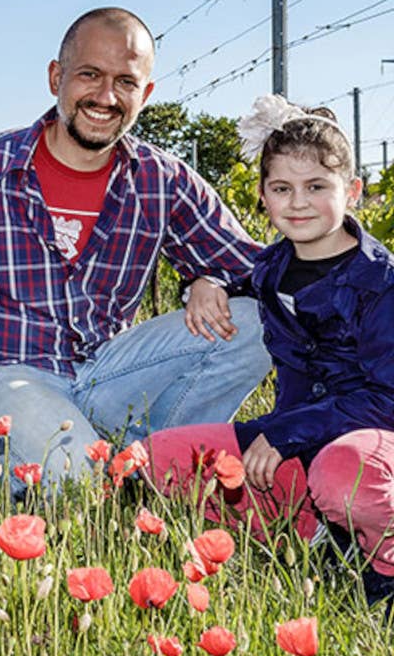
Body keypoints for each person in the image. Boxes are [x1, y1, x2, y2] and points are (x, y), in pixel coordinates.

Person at [0, 7, 271, 499]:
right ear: (57, 77)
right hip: (14, 374)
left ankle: (164, 453)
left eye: (125, 81)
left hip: (113, 369)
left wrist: (210, 280)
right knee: (81, 483)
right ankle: (118, 473)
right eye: (89, 75)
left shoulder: (162, 179)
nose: (105, 97)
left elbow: (261, 268)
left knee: (258, 320)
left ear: (145, 94)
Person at [147, 96, 394, 612]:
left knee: (342, 474)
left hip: (371, 448)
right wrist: (205, 280)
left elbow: (387, 398)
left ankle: (383, 567)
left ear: (352, 191)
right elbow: (239, 281)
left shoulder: (382, 282)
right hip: (293, 443)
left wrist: (285, 433)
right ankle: (314, 533)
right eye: (282, 188)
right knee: (159, 460)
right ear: (262, 196)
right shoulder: (272, 267)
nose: (298, 203)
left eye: (316, 187)